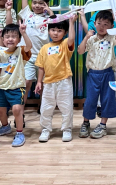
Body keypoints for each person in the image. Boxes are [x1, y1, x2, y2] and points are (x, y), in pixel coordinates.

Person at [77, 10, 116, 139]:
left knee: (107, 100)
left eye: (106, 24)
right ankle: (86, 123)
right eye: (99, 23)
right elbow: (80, 51)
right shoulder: (91, 39)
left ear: (111, 26)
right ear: (94, 24)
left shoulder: (111, 38)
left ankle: (102, 125)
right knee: (90, 100)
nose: (102, 27)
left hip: (108, 73)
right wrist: (86, 37)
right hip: (93, 74)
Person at [0, 21, 33, 147]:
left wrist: (24, 32)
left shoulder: (21, 51)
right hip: (2, 86)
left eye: (14, 36)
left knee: (16, 109)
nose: (10, 39)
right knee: (1, 111)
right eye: (7, 36)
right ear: (2, 39)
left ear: (19, 39)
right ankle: (5, 127)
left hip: (17, 86)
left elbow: (29, 46)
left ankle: (19, 133)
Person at [35, 14, 76, 143]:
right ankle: (45, 129)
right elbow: (41, 67)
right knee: (46, 107)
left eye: (59, 31)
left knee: (66, 106)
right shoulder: (44, 48)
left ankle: (67, 129)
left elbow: (71, 39)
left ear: (64, 33)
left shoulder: (64, 44)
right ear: (48, 31)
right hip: (48, 83)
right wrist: (39, 82)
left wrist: (71, 23)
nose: (56, 33)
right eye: (53, 30)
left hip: (64, 81)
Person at [19, 0, 53, 113]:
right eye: (35, 2)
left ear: (46, 4)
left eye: (41, 3)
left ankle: (42, 108)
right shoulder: (27, 13)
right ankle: (21, 109)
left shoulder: (50, 18)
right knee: (26, 83)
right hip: (27, 55)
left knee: (44, 84)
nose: (37, 5)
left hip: (43, 56)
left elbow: (57, 24)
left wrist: (50, 11)